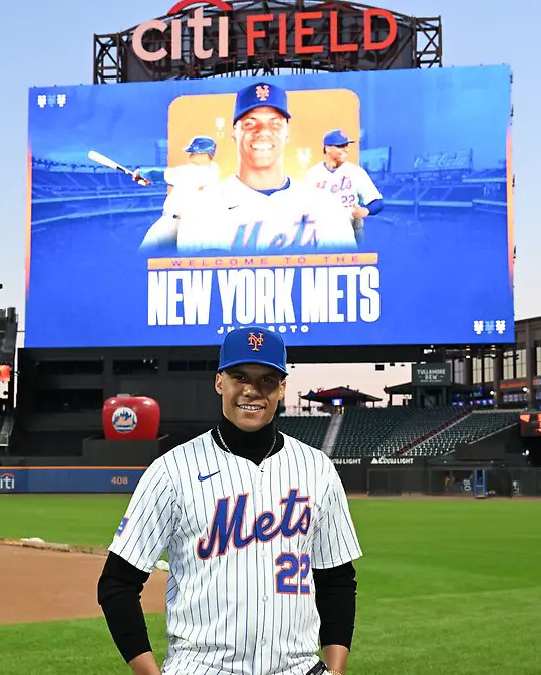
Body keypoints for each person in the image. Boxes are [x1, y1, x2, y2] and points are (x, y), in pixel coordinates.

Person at [97, 326, 363, 675]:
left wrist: (336, 670)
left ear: (282, 388)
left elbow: (337, 580)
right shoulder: (172, 470)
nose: (252, 390)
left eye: (267, 379)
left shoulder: (317, 468)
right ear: (219, 382)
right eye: (240, 376)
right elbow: (117, 583)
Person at [171, 81, 359, 254]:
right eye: (250, 123)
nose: (263, 131)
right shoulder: (201, 209)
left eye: (275, 123)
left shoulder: (326, 206)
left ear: (287, 133)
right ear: (234, 133)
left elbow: (345, 283)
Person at [135, 136, 223, 252]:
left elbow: (160, 175)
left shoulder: (192, 172)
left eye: (194, 152)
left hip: (186, 226)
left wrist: (140, 173)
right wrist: (147, 179)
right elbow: (179, 182)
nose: (189, 155)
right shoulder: (213, 169)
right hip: (174, 223)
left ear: (205, 154)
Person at [304, 130, 384, 246]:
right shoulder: (313, 175)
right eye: (341, 146)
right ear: (328, 149)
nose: (346, 149)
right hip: (321, 237)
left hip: (350, 235)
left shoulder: (356, 172)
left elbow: (378, 202)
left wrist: (365, 211)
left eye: (346, 145)